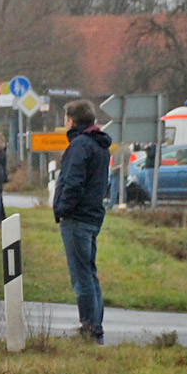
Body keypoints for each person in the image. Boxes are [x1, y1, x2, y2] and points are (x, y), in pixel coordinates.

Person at [53, 99, 111, 344]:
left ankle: (90, 329)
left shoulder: (79, 145)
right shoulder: (99, 145)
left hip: (77, 217)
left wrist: (63, 209)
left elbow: (73, 182)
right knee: (89, 273)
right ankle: (95, 327)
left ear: (71, 120)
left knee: (81, 277)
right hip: (93, 215)